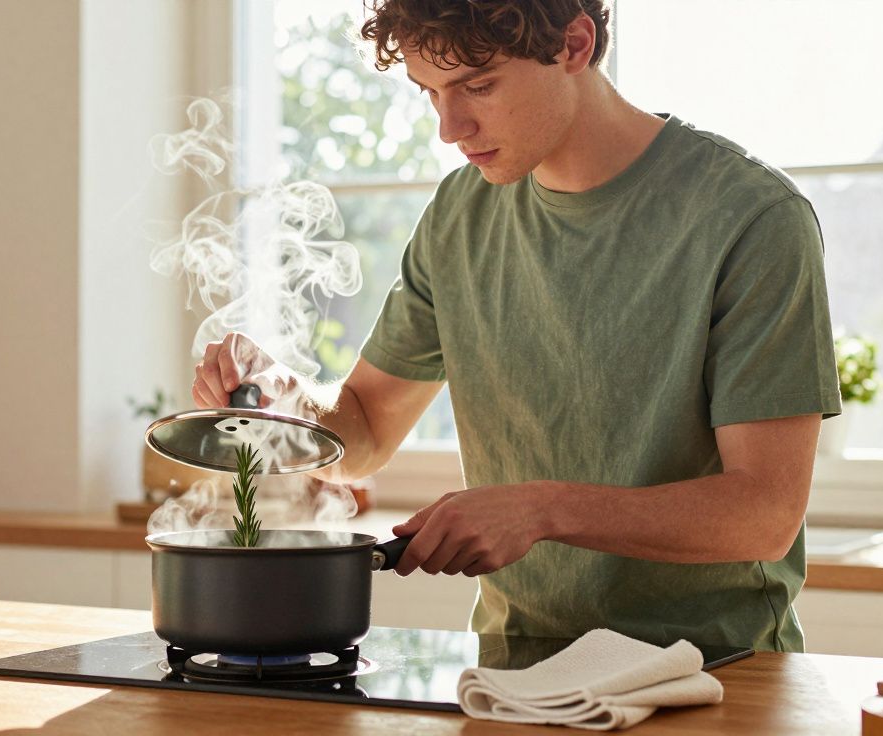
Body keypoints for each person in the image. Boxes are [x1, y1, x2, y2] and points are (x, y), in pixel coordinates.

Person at [191, 0, 840, 652]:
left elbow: (764, 513)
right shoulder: (458, 218)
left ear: (576, 45)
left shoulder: (750, 218)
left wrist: (541, 509)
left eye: (478, 85)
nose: (450, 127)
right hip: (515, 675)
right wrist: (282, 399)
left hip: (718, 678)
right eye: (430, 93)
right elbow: (363, 426)